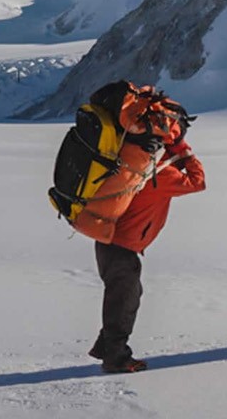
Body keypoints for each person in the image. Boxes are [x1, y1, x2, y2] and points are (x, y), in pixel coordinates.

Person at [87, 137, 206, 373]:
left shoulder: (140, 167)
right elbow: (197, 182)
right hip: (121, 248)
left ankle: (106, 347)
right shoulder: (161, 174)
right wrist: (187, 154)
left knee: (124, 297)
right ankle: (116, 359)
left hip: (108, 243)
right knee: (124, 302)